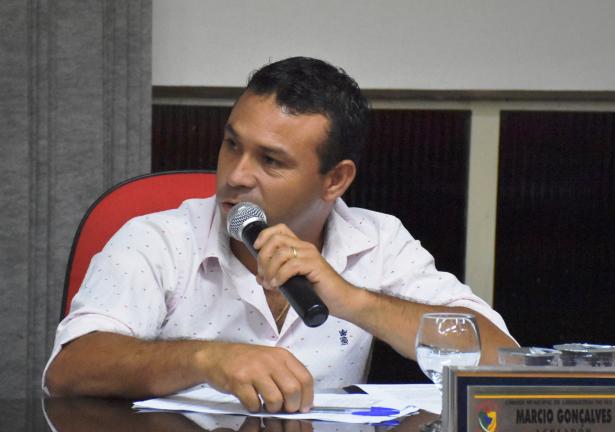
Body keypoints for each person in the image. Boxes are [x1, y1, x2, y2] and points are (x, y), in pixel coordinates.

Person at [44, 56, 517, 413]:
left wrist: (352, 300)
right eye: (232, 145)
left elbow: (502, 360)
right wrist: (207, 359)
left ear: (335, 180)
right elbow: (69, 370)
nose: (236, 175)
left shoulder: (378, 241)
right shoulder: (156, 239)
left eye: (270, 161)